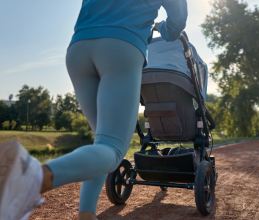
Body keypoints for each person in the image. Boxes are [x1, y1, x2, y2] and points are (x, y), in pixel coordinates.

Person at [0, 0, 188, 219]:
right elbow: (178, 20)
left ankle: (86, 214)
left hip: (78, 48)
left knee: (102, 145)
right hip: (120, 47)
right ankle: (29, 177)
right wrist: (163, 29)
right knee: (112, 149)